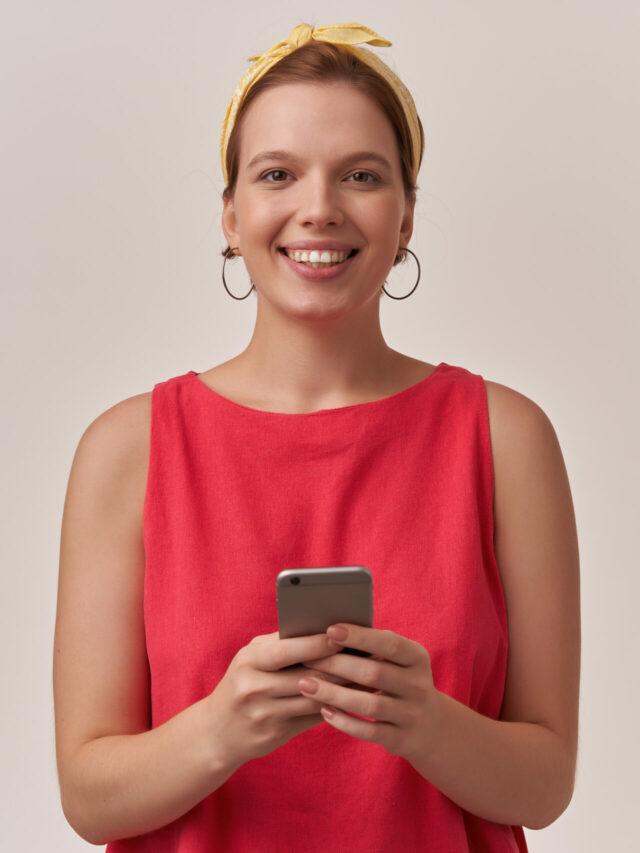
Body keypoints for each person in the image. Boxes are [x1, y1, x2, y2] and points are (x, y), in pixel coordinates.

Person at [53, 21, 580, 852]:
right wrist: (220, 729)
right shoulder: (128, 449)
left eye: (362, 175)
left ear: (406, 216)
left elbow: (547, 783)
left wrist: (427, 723)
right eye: (278, 174)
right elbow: (88, 797)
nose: (319, 208)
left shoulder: (506, 438)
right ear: (231, 215)